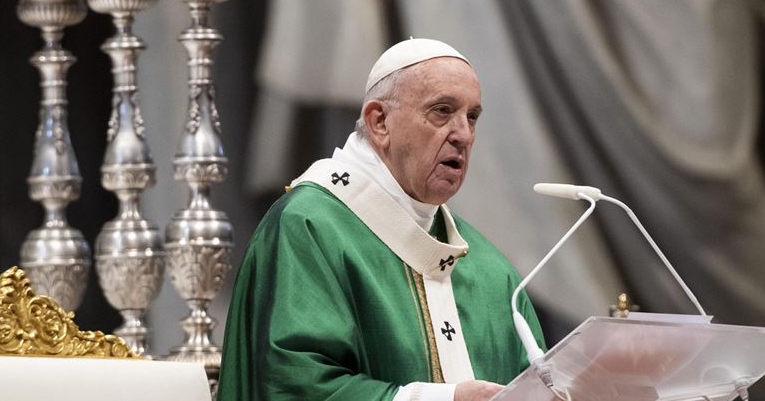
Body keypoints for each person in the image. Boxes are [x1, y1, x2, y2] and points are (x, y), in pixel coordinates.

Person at [217, 39, 546, 401]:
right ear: (379, 122)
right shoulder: (310, 228)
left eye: (471, 116)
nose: (463, 135)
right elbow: (292, 385)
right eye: (442, 111)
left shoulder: (489, 272)